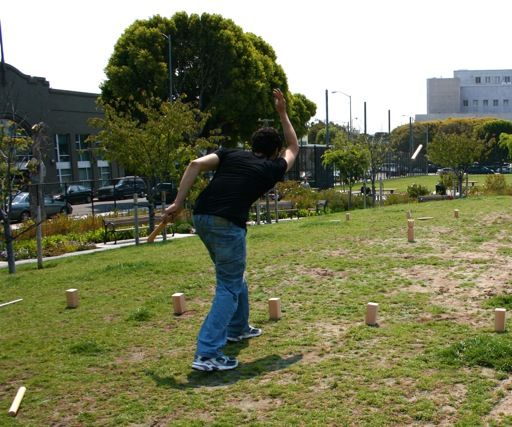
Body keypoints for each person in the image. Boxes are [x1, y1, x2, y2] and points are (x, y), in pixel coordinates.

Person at [162, 88, 299, 371]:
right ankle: (208, 353)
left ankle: (238, 328)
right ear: (273, 151)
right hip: (227, 224)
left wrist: (177, 203)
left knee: (233, 278)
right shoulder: (272, 167)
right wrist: (283, 113)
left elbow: (195, 164)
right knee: (228, 285)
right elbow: (293, 147)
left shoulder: (230, 154)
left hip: (201, 218)